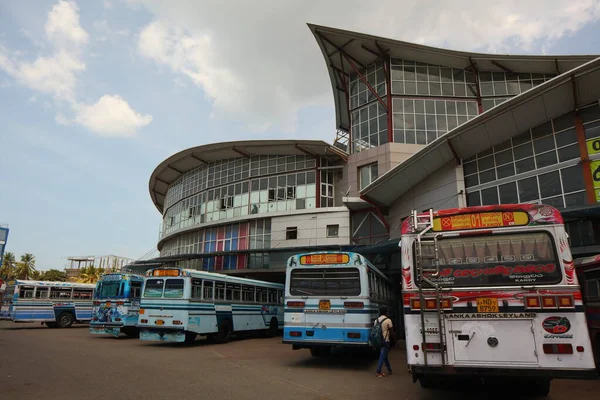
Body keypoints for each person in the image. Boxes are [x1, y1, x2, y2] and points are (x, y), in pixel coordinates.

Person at [375, 306, 393, 378]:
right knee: (382, 355)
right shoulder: (388, 320)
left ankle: (389, 370)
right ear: (386, 312)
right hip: (386, 340)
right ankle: (378, 371)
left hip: (379, 340)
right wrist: (395, 340)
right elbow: (392, 331)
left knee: (384, 355)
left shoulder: (377, 320)